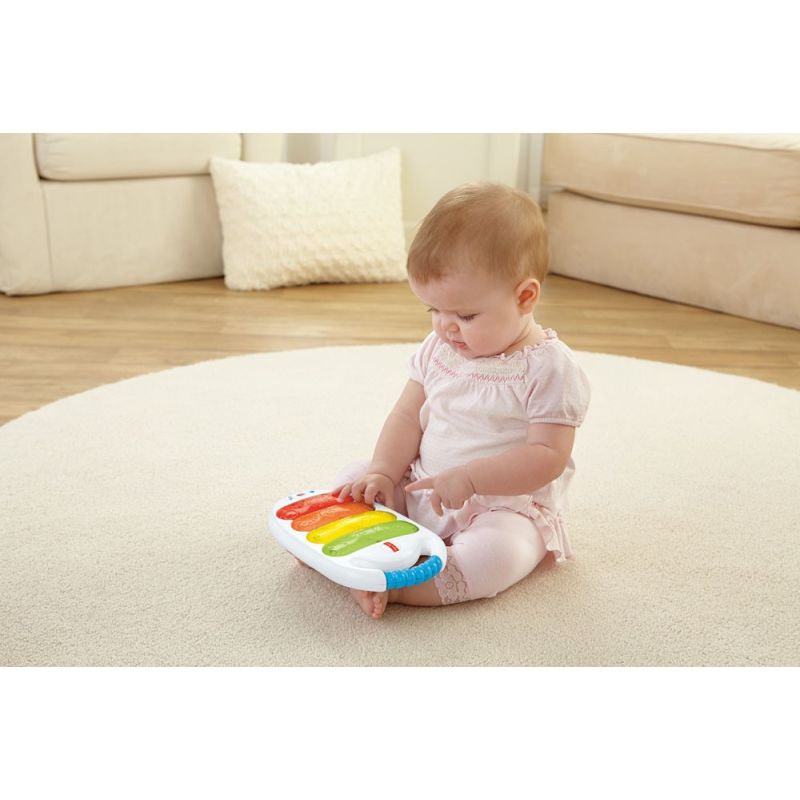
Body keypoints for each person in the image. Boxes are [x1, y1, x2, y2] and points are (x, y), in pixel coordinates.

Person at [332, 182, 591, 618]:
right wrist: (383, 472)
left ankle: (403, 587)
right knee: (353, 481)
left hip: (500, 506)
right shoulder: (439, 348)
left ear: (525, 297)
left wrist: (471, 479)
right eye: (433, 311)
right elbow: (406, 416)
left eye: (465, 315)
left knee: (501, 553)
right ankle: (344, 549)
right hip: (421, 485)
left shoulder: (548, 367)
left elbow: (547, 456)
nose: (445, 327)